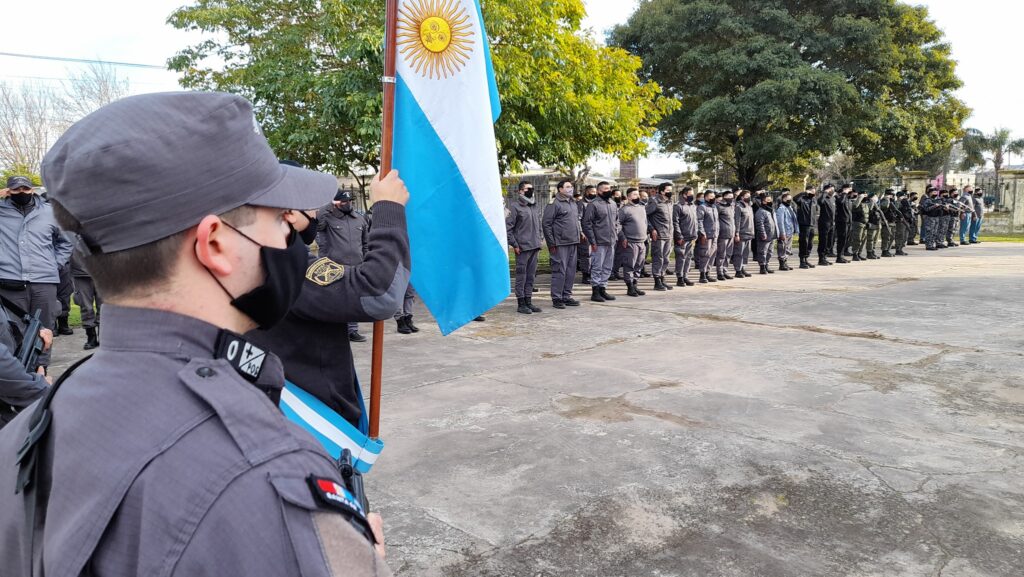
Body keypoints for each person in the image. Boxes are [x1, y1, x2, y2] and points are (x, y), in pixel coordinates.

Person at [0, 92, 390, 576]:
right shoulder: (270, 477)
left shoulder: (33, 425)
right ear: (215, 244)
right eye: (275, 218)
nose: (286, 239)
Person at [0, 176, 74, 369]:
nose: (21, 193)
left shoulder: (50, 212)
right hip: (10, 282)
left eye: (25, 188)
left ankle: (42, 370)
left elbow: (66, 242)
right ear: (8, 191)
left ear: (32, 189)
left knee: (44, 329)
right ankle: (20, 375)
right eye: (16, 190)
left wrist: (54, 264)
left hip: (44, 282)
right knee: (13, 332)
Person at [316, 188, 372, 341]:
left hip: (356, 266)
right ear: (337, 203)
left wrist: (365, 261)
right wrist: (329, 203)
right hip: (333, 266)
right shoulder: (328, 218)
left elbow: (365, 243)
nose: (347, 203)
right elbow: (317, 220)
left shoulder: (360, 219)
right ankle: (335, 330)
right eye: (343, 201)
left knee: (353, 298)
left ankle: (352, 330)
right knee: (334, 298)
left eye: (349, 201)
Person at [543, 180, 582, 309]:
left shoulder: (573, 202)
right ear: (560, 189)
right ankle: (557, 298)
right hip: (560, 243)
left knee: (571, 271)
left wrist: (579, 233)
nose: (570, 189)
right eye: (567, 187)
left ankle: (566, 296)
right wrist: (551, 243)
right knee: (559, 271)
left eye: (571, 186)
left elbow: (575, 221)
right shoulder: (554, 203)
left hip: (573, 242)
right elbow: (546, 224)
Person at [507, 181, 544, 314]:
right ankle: (521, 303)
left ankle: (529, 301)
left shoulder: (534, 206)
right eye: (527, 189)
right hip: (522, 247)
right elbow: (508, 228)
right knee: (521, 276)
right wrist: (515, 244)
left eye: (531, 189)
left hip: (535, 246)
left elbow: (538, 225)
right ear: (520, 191)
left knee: (531, 276)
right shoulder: (515, 207)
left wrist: (540, 239)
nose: (530, 191)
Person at [582, 181, 619, 302]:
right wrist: (592, 241)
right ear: (598, 191)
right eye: (605, 189)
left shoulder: (613, 204)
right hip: (598, 242)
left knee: (607, 267)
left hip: (611, 242)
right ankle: (595, 291)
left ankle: (603, 289)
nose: (608, 190)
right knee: (597, 267)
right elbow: (587, 224)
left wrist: (616, 232)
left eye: (609, 188)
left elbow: (617, 221)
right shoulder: (593, 205)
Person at [69, 235, 102, 350]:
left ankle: (103, 336)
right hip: (80, 271)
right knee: (85, 307)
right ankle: (91, 337)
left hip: (103, 269)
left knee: (103, 305)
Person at [618, 188, 648, 297]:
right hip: (630, 241)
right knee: (629, 265)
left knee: (639, 265)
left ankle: (635, 285)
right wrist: (623, 238)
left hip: (642, 241)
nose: (637, 196)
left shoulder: (642, 208)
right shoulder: (624, 210)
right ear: (629, 197)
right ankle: (629, 287)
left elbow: (645, 222)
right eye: (634, 195)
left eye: (638, 194)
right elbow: (618, 225)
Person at [646, 182, 674, 290]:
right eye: (668, 190)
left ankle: (662, 279)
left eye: (671, 190)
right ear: (661, 191)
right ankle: (657, 281)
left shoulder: (670, 202)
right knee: (658, 258)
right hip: (659, 235)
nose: (670, 192)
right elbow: (645, 216)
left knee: (666, 258)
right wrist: (652, 229)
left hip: (669, 234)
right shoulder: (654, 201)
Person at [673, 187, 698, 286]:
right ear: (684, 195)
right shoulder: (678, 206)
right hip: (682, 237)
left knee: (688, 257)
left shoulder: (692, 206)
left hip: (691, 236)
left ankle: (685, 276)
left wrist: (696, 233)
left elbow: (695, 221)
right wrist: (679, 236)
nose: (692, 196)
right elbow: (675, 222)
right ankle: (679, 278)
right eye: (690, 194)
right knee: (681, 257)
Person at [696, 190, 719, 283]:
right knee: (705, 255)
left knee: (712, 255)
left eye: (713, 196)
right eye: (710, 196)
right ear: (705, 197)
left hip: (715, 235)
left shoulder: (714, 207)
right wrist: (702, 233)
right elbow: (699, 221)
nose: (712, 198)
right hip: (707, 235)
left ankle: (708, 273)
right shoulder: (702, 207)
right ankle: (702, 274)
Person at [793, 186, 817, 269]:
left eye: (814, 191)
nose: (814, 193)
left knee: (810, 243)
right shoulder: (802, 199)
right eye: (812, 191)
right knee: (804, 242)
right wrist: (804, 192)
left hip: (812, 224)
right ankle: (802, 261)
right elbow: (795, 198)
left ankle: (806, 259)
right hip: (804, 224)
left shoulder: (814, 200)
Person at [732, 190, 754, 278]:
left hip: (749, 233)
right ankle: (738, 270)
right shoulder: (738, 207)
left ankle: (743, 268)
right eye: (747, 196)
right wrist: (736, 233)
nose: (749, 198)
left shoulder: (749, 207)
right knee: (739, 253)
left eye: (749, 196)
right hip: (741, 233)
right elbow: (737, 221)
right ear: (742, 197)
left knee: (746, 253)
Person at [576, 185, 597, 284]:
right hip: (586, 233)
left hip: (596, 232)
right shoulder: (581, 204)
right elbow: (578, 219)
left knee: (595, 254)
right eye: (592, 191)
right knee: (586, 254)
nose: (594, 193)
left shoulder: (596, 203)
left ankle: (593, 273)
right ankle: (586, 274)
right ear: (587, 192)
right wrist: (581, 232)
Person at [715, 190, 737, 281]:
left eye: (732, 197)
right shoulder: (719, 206)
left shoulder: (732, 206)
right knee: (721, 254)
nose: (731, 199)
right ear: (724, 197)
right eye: (729, 197)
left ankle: (725, 270)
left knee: (728, 254)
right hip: (723, 233)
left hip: (731, 233)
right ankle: (719, 272)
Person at [754, 192, 778, 274]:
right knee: (762, 251)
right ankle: (762, 267)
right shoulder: (760, 211)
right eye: (768, 200)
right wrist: (763, 234)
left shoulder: (771, 210)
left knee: (770, 252)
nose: (770, 201)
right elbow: (759, 224)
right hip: (765, 235)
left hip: (772, 235)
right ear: (763, 201)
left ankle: (767, 265)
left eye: (771, 200)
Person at [775, 191, 798, 271]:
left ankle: (785, 263)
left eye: (790, 199)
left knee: (788, 248)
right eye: (788, 199)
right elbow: (780, 222)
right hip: (784, 232)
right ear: (784, 199)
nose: (790, 201)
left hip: (790, 231)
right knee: (782, 248)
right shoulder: (781, 209)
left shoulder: (790, 207)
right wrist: (782, 233)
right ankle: (782, 264)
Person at [816, 184, 836, 266]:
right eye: (831, 189)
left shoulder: (832, 199)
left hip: (832, 223)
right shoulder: (824, 198)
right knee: (823, 241)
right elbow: (820, 202)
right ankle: (821, 259)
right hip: (824, 222)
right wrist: (824, 192)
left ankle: (825, 257)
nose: (832, 191)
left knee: (829, 242)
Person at [834, 185, 853, 263]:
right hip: (842, 221)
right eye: (849, 188)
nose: (850, 190)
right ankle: (839, 257)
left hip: (847, 221)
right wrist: (844, 193)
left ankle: (841, 256)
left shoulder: (846, 198)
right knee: (841, 239)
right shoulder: (840, 196)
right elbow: (840, 202)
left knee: (844, 239)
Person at [879, 190, 898, 257]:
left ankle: (887, 250)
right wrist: (887, 199)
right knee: (886, 237)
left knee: (892, 237)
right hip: (886, 222)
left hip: (892, 222)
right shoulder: (884, 200)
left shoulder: (892, 201)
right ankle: (884, 251)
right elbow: (884, 207)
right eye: (892, 194)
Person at [851, 191, 869, 261]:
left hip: (864, 224)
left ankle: (859, 253)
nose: (865, 196)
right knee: (857, 239)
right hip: (858, 223)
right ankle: (855, 254)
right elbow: (854, 206)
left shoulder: (865, 204)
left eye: (865, 195)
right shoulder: (856, 202)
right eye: (863, 195)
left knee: (863, 240)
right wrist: (859, 198)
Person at [896, 190, 913, 255]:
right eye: (903, 196)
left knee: (905, 236)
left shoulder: (906, 202)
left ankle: (901, 248)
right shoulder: (897, 202)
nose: (905, 197)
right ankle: (898, 249)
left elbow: (908, 211)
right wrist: (899, 201)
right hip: (901, 221)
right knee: (900, 235)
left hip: (907, 220)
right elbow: (897, 210)